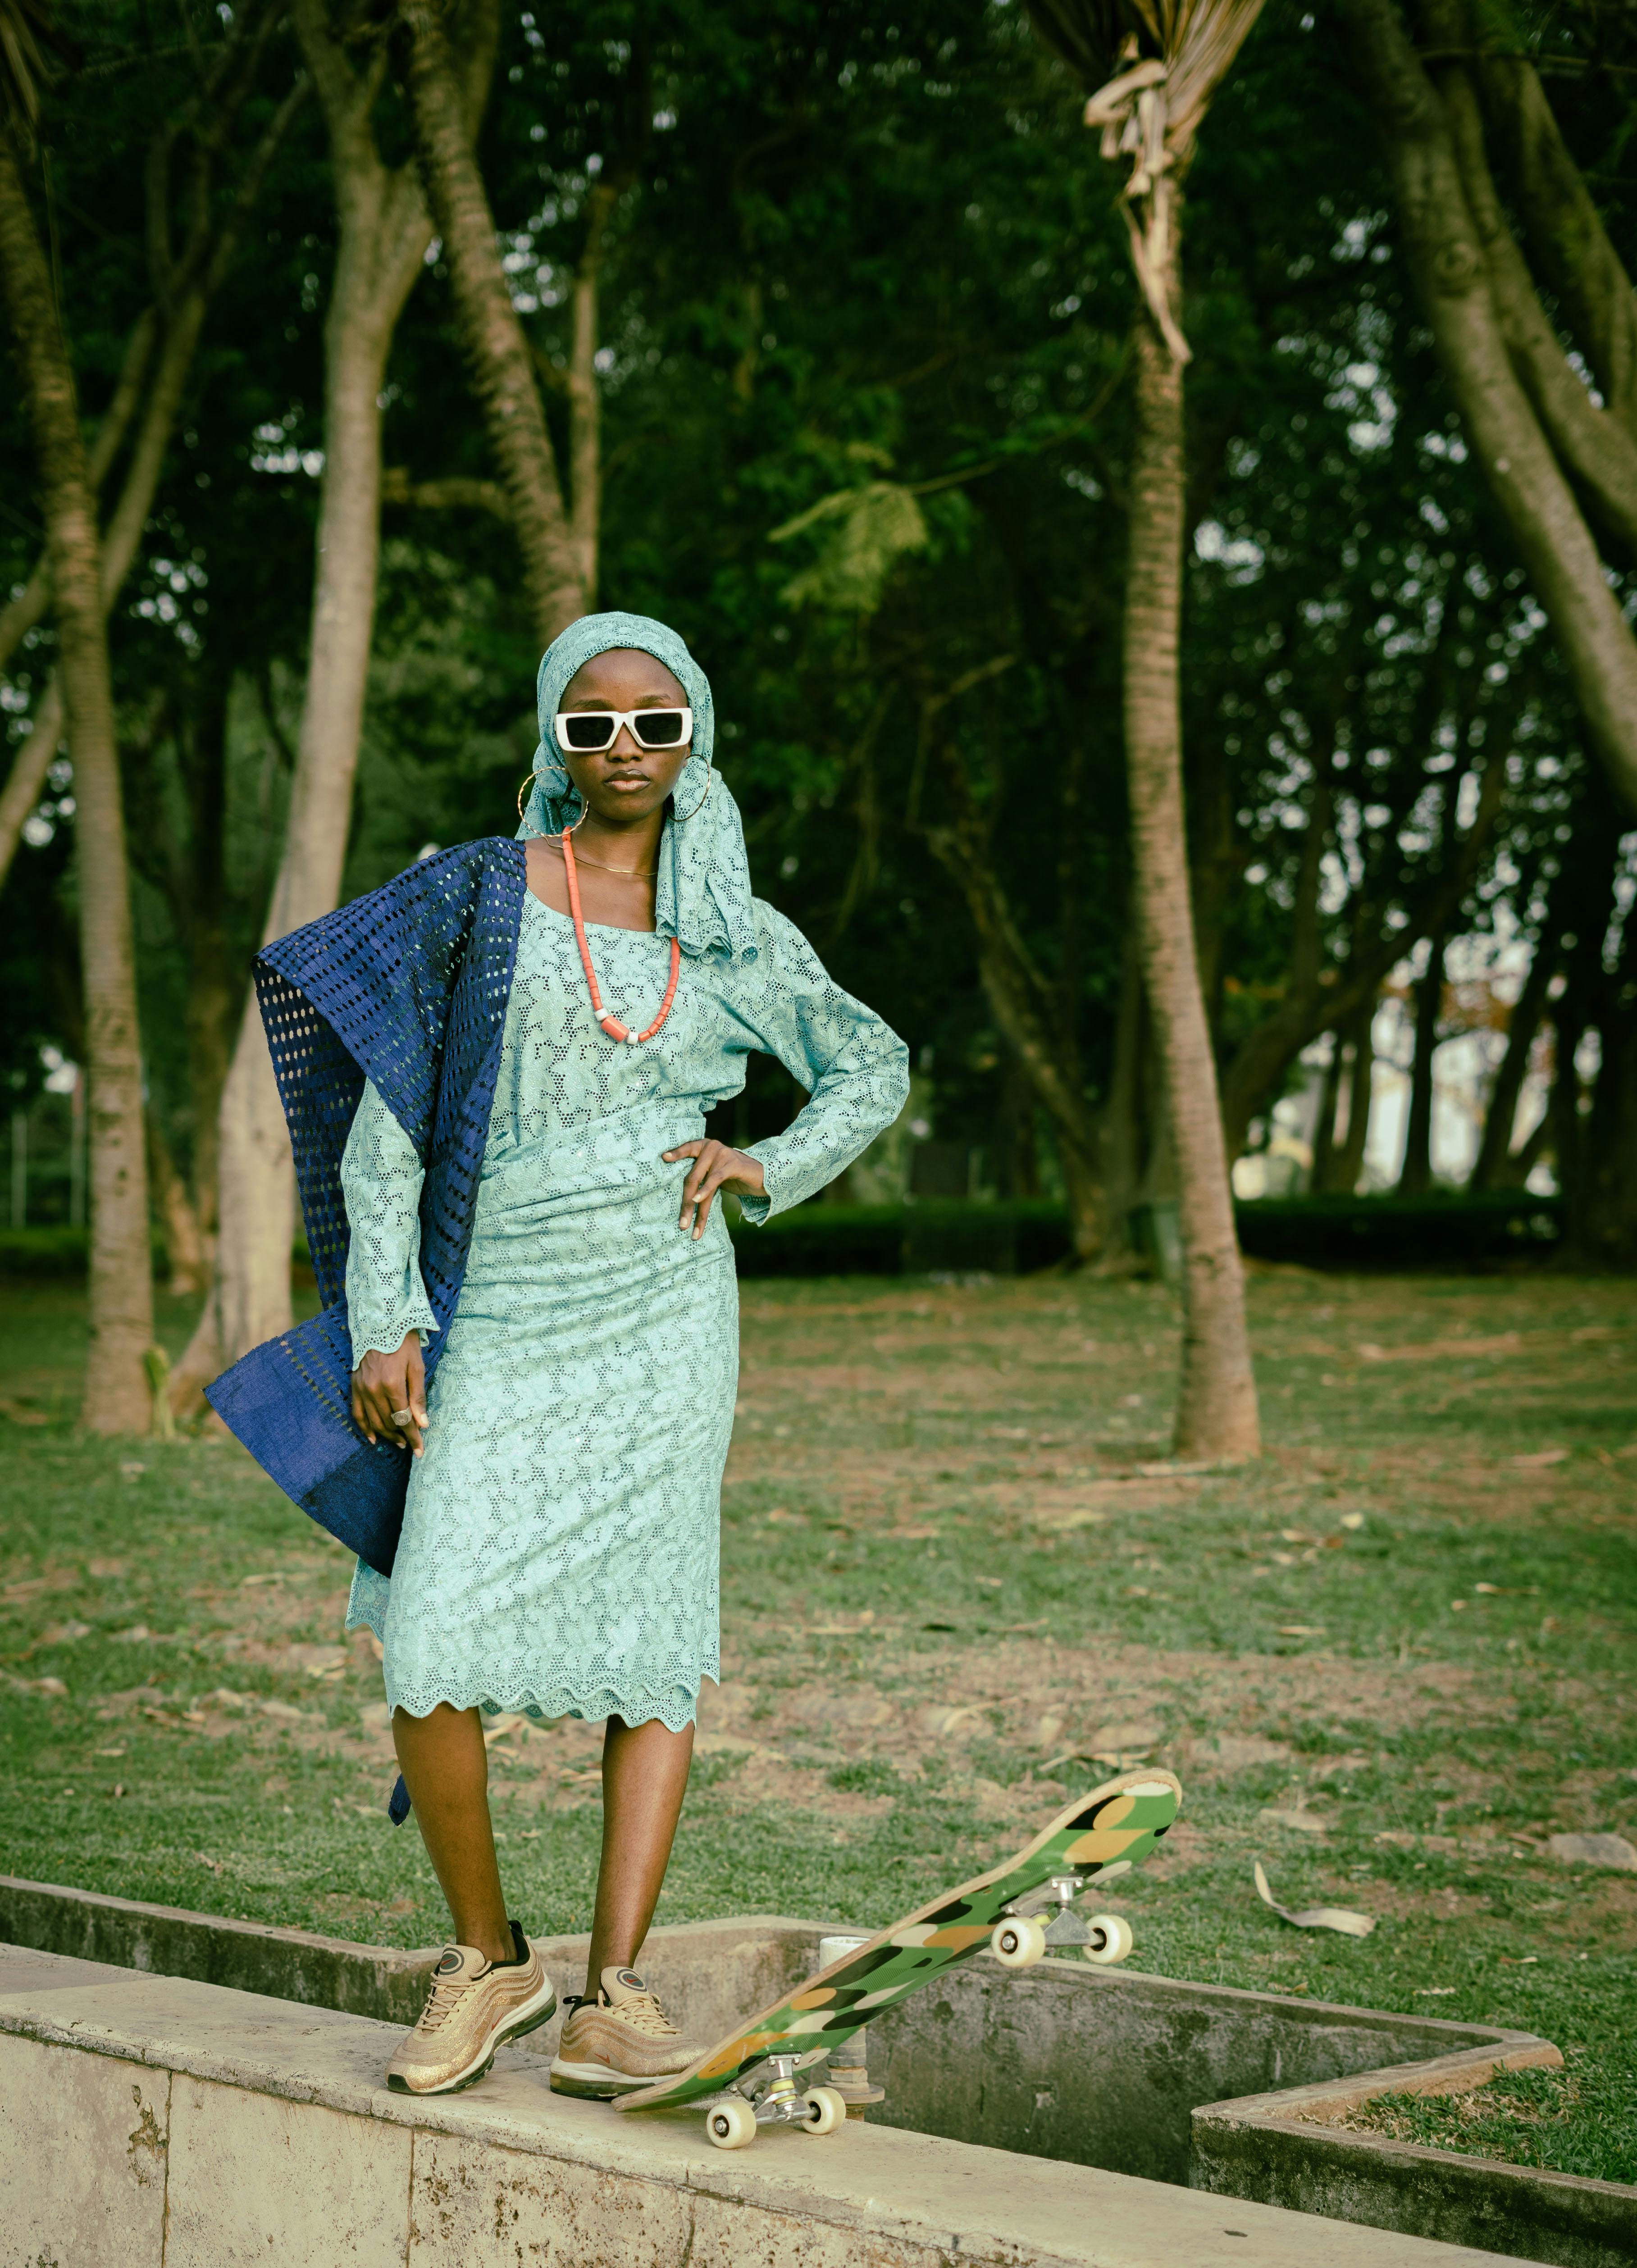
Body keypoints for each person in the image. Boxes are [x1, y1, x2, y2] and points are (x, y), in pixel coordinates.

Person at [337, 612, 909, 2097]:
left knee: (651, 1649)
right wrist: (383, 1317)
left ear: (695, 733)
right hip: (504, 1300)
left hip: (663, 1306)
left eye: (656, 721)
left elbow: (871, 1059)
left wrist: (767, 1164)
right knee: (430, 1627)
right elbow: (388, 1124)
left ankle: (617, 1991)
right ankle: (488, 1956)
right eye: (592, 724)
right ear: (552, 739)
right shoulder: (468, 896)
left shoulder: (733, 925)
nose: (626, 750)